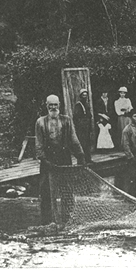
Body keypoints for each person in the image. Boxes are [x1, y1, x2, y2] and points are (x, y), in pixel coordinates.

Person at [35, 94, 87, 225]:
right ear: (46, 105)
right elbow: (39, 144)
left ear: (59, 105)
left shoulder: (66, 120)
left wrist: (80, 155)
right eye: (50, 105)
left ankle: (67, 218)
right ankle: (47, 221)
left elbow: (73, 139)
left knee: (67, 190)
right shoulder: (40, 122)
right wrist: (43, 159)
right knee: (46, 190)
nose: (53, 107)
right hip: (48, 160)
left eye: (55, 104)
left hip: (64, 158)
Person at [73, 89, 93, 162]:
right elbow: (76, 117)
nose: (85, 97)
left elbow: (89, 116)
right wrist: (79, 126)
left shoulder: (87, 105)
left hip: (87, 126)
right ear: (81, 96)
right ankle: (81, 160)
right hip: (81, 128)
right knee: (82, 143)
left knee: (88, 143)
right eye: (83, 95)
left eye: (86, 95)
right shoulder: (78, 105)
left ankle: (88, 159)